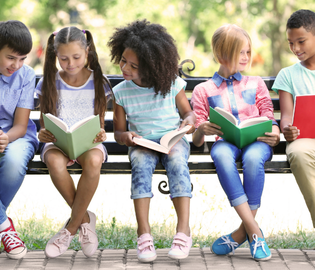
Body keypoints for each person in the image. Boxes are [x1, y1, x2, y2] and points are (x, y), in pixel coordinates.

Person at [107, 19, 196, 262]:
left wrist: (188, 122)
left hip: (172, 140)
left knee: (178, 164)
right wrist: (126, 137)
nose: (125, 68)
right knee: (141, 167)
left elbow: (188, 112)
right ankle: (144, 233)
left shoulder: (171, 84)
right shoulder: (122, 92)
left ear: (152, 67)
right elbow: (118, 133)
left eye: (134, 66)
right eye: (123, 60)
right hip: (142, 144)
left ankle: (183, 230)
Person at [191, 24, 280, 261]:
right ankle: (254, 232)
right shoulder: (203, 90)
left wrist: (275, 132)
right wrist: (201, 128)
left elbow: (269, 116)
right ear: (221, 54)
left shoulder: (256, 82)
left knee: (252, 158)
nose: (246, 57)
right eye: (240, 52)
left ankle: (243, 233)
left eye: (248, 52)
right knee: (220, 155)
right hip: (226, 142)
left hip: (257, 141)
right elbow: (197, 141)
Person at [36, 26, 112, 258]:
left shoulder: (99, 81)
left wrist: (100, 134)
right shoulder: (51, 81)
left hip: (88, 143)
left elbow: (100, 124)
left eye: (76, 57)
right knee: (55, 162)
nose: (70, 64)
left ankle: (69, 229)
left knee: (93, 161)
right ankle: (85, 219)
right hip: (58, 143)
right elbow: (44, 123)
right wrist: (42, 134)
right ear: (55, 56)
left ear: (87, 52)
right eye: (63, 58)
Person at [272, 9, 315, 229]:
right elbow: (286, 117)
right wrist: (287, 129)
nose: (295, 49)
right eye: (291, 43)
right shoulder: (287, 75)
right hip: (306, 139)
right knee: (297, 152)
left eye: (301, 41)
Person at [0, 20, 39, 260]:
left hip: (17, 136)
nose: (17, 64)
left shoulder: (26, 75)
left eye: (22, 58)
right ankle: (5, 227)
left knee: (14, 161)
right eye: (10, 57)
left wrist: (4, 138)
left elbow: (21, 126)